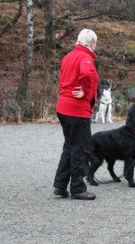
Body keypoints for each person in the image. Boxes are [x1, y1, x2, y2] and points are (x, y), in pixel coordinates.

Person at [53, 29, 99, 200]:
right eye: (95, 43)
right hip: (76, 109)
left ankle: (60, 185)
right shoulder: (85, 58)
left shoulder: (68, 57)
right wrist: (86, 93)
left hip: (63, 107)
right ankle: (78, 188)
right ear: (91, 43)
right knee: (80, 148)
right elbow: (86, 74)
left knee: (69, 146)